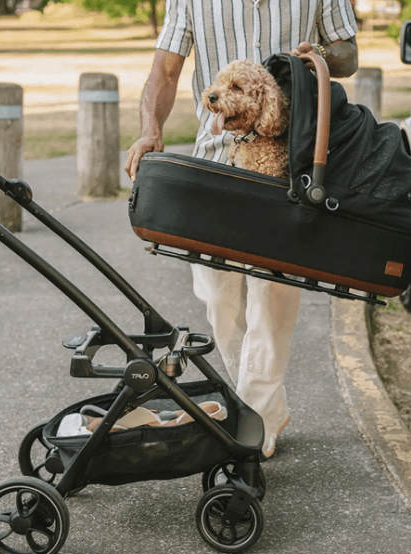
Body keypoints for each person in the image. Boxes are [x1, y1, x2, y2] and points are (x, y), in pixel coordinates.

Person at [125, 0, 359, 459]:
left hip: (290, 162)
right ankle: (263, 406)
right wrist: (151, 128)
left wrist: (320, 58)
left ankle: (256, 425)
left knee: (272, 299)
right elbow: (165, 71)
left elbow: (348, 52)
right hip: (215, 158)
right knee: (218, 300)